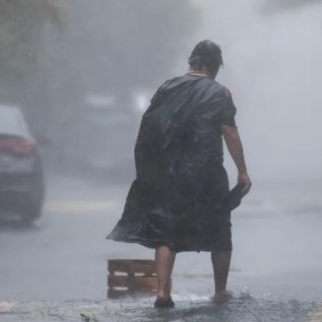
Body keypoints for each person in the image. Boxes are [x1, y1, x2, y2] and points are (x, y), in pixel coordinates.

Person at [107, 40, 252, 308]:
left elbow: (149, 128)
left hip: (170, 173)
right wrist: (242, 171)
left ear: (192, 62)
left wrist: (149, 171)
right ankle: (220, 291)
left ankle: (162, 292)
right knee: (220, 229)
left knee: (167, 232)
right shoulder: (219, 93)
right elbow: (229, 132)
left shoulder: (167, 88)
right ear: (213, 65)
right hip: (207, 173)